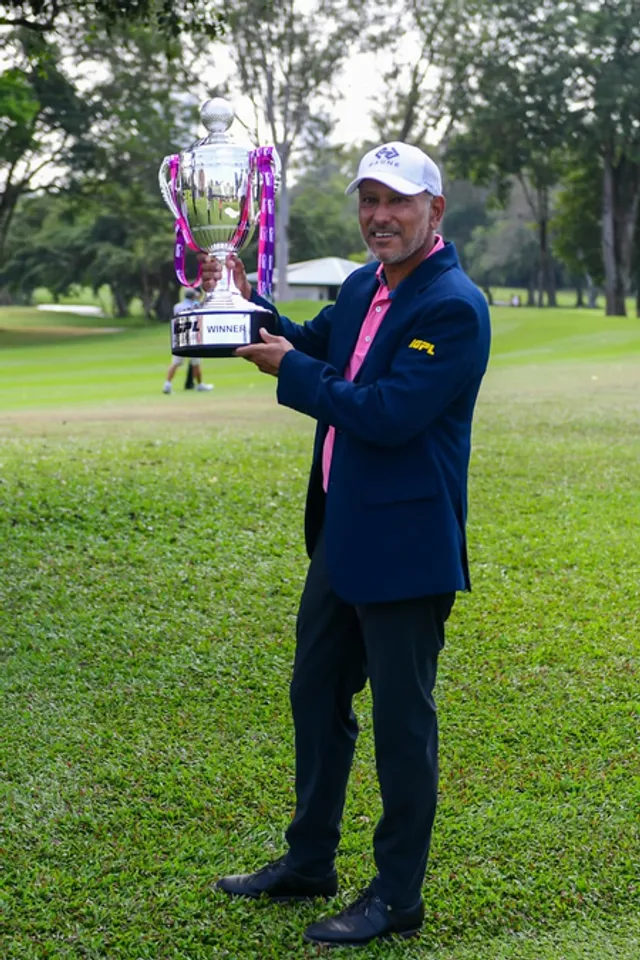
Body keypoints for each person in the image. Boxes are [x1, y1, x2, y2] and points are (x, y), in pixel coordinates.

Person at [201, 141, 491, 948]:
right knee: (316, 696)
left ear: (435, 210)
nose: (379, 217)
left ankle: (398, 896)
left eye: (397, 202)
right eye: (368, 200)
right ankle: (309, 862)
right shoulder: (365, 285)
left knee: (403, 725)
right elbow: (311, 340)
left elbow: (386, 413)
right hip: (343, 534)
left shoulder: (452, 306)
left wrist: (290, 371)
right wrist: (232, 300)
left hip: (406, 547)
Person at [162, 288, 213, 394]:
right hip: (193, 337)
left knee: (176, 362)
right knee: (196, 363)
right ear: (194, 296)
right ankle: (199, 384)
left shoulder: (177, 306)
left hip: (180, 336)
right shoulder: (196, 305)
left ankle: (167, 384)